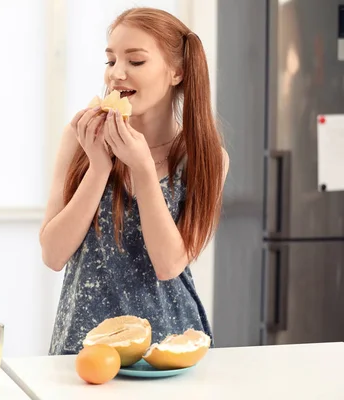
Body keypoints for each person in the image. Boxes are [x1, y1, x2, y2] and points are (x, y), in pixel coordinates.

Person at [39, 7, 230, 356]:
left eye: (136, 61)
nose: (116, 74)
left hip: (166, 347)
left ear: (177, 72)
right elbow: (53, 254)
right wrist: (99, 168)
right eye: (111, 61)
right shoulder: (79, 138)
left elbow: (170, 263)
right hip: (84, 346)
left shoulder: (205, 157)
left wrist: (142, 169)